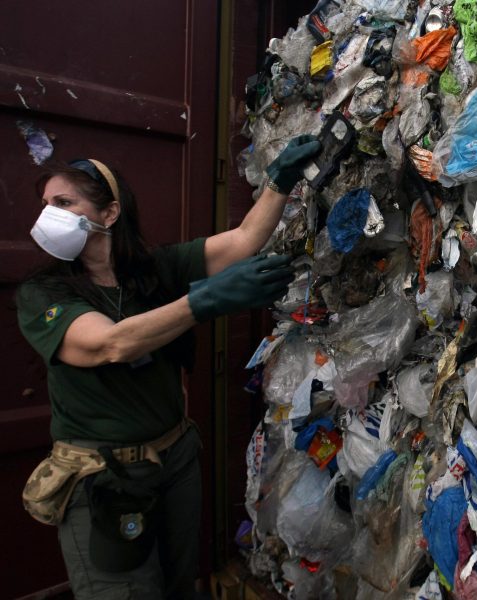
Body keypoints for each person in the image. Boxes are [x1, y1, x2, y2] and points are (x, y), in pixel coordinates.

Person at [16, 135, 320, 599]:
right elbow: (109, 344)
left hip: (174, 461)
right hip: (103, 477)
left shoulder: (156, 269)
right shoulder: (43, 295)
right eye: (46, 204)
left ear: (109, 214)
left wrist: (279, 179)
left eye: (63, 202)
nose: (48, 215)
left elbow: (243, 240)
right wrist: (203, 301)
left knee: (179, 584)